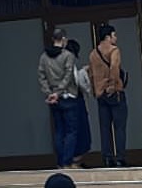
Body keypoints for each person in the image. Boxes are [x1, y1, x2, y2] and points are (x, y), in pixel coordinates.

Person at [38, 27, 80, 169]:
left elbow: (41, 76)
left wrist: (49, 93)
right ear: (63, 39)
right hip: (67, 96)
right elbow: (68, 76)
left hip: (53, 99)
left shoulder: (44, 57)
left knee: (59, 130)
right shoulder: (68, 55)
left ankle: (59, 162)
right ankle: (67, 161)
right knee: (71, 131)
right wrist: (59, 91)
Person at [89, 24, 128, 167]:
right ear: (108, 36)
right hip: (115, 92)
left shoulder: (93, 54)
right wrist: (112, 84)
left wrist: (95, 90)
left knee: (104, 127)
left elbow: (91, 74)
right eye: (114, 35)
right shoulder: (114, 50)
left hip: (100, 94)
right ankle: (120, 157)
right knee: (120, 126)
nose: (115, 38)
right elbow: (114, 67)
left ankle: (107, 157)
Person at [65, 37, 93, 164]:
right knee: (80, 132)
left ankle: (71, 160)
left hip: (66, 102)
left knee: (71, 131)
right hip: (75, 102)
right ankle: (74, 160)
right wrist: (83, 72)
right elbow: (78, 83)